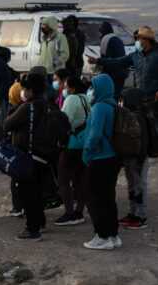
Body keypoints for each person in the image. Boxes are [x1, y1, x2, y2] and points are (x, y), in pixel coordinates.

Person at [90, 26, 158, 169]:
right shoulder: (136, 55)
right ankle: (154, 149)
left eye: (139, 39)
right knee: (144, 125)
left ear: (147, 39)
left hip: (157, 97)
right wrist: (99, 61)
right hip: (141, 96)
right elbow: (119, 62)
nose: (136, 41)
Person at [3, 73, 57, 241]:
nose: (23, 92)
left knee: (28, 193)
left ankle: (32, 229)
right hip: (46, 155)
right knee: (38, 192)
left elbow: (7, 124)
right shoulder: (49, 106)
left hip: (29, 156)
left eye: (25, 89)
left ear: (31, 90)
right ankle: (40, 222)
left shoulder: (28, 107)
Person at [80, 74, 121, 250]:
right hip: (112, 158)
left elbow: (95, 135)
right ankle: (112, 234)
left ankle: (101, 236)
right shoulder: (112, 105)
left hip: (99, 158)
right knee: (108, 198)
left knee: (94, 198)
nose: (91, 91)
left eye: (93, 87)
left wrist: (86, 153)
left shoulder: (99, 108)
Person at [55, 75, 90, 227]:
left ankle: (69, 213)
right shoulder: (86, 98)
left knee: (63, 179)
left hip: (71, 145)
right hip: (84, 144)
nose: (64, 89)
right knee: (80, 179)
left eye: (67, 86)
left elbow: (63, 120)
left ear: (73, 88)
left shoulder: (71, 99)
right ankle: (79, 212)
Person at [118, 87, 150, 230]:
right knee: (133, 187)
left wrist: (139, 158)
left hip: (137, 159)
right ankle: (133, 213)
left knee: (139, 187)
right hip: (132, 158)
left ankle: (140, 216)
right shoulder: (134, 114)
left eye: (123, 99)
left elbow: (142, 141)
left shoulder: (137, 116)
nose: (121, 102)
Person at [97, 21, 127, 99]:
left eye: (100, 32)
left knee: (110, 97)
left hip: (112, 74)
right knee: (116, 96)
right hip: (122, 73)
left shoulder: (105, 39)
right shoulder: (117, 38)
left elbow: (104, 60)